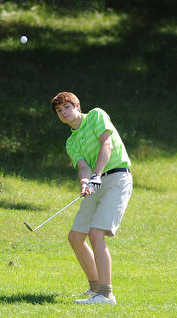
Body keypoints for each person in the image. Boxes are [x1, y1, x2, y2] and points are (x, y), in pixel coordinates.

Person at [51, 92, 133, 305]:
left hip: (116, 178)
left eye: (66, 107)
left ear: (77, 105)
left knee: (96, 233)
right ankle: (95, 288)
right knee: (76, 237)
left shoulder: (96, 115)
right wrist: (85, 182)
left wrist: (96, 175)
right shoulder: (71, 141)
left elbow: (107, 146)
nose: (63, 113)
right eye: (59, 111)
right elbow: (83, 167)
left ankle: (106, 295)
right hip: (95, 183)